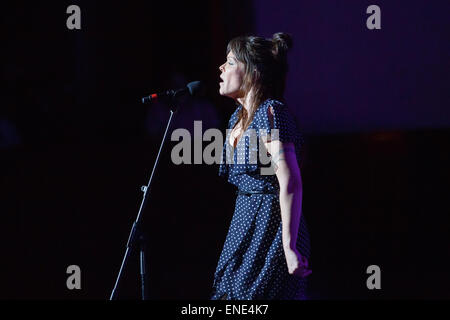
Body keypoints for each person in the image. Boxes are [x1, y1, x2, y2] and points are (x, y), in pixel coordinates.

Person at [211, 32, 312, 300]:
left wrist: (288, 246)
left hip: (272, 224)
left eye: (230, 62)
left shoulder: (270, 112)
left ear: (253, 73)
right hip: (243, 222)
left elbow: (289, 180)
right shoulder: (237, 118)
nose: (221, 68)